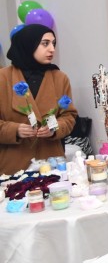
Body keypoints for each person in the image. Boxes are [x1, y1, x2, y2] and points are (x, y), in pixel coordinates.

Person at [0, 24, 78, 174]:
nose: (52, 49)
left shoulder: (60, 78)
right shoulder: (3, 78)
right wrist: (15, 130)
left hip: (51, 163)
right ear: (28, 44)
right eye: (45, 43)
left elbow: (69, 116)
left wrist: (53, 128)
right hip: (13, 166)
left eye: (53, 43)